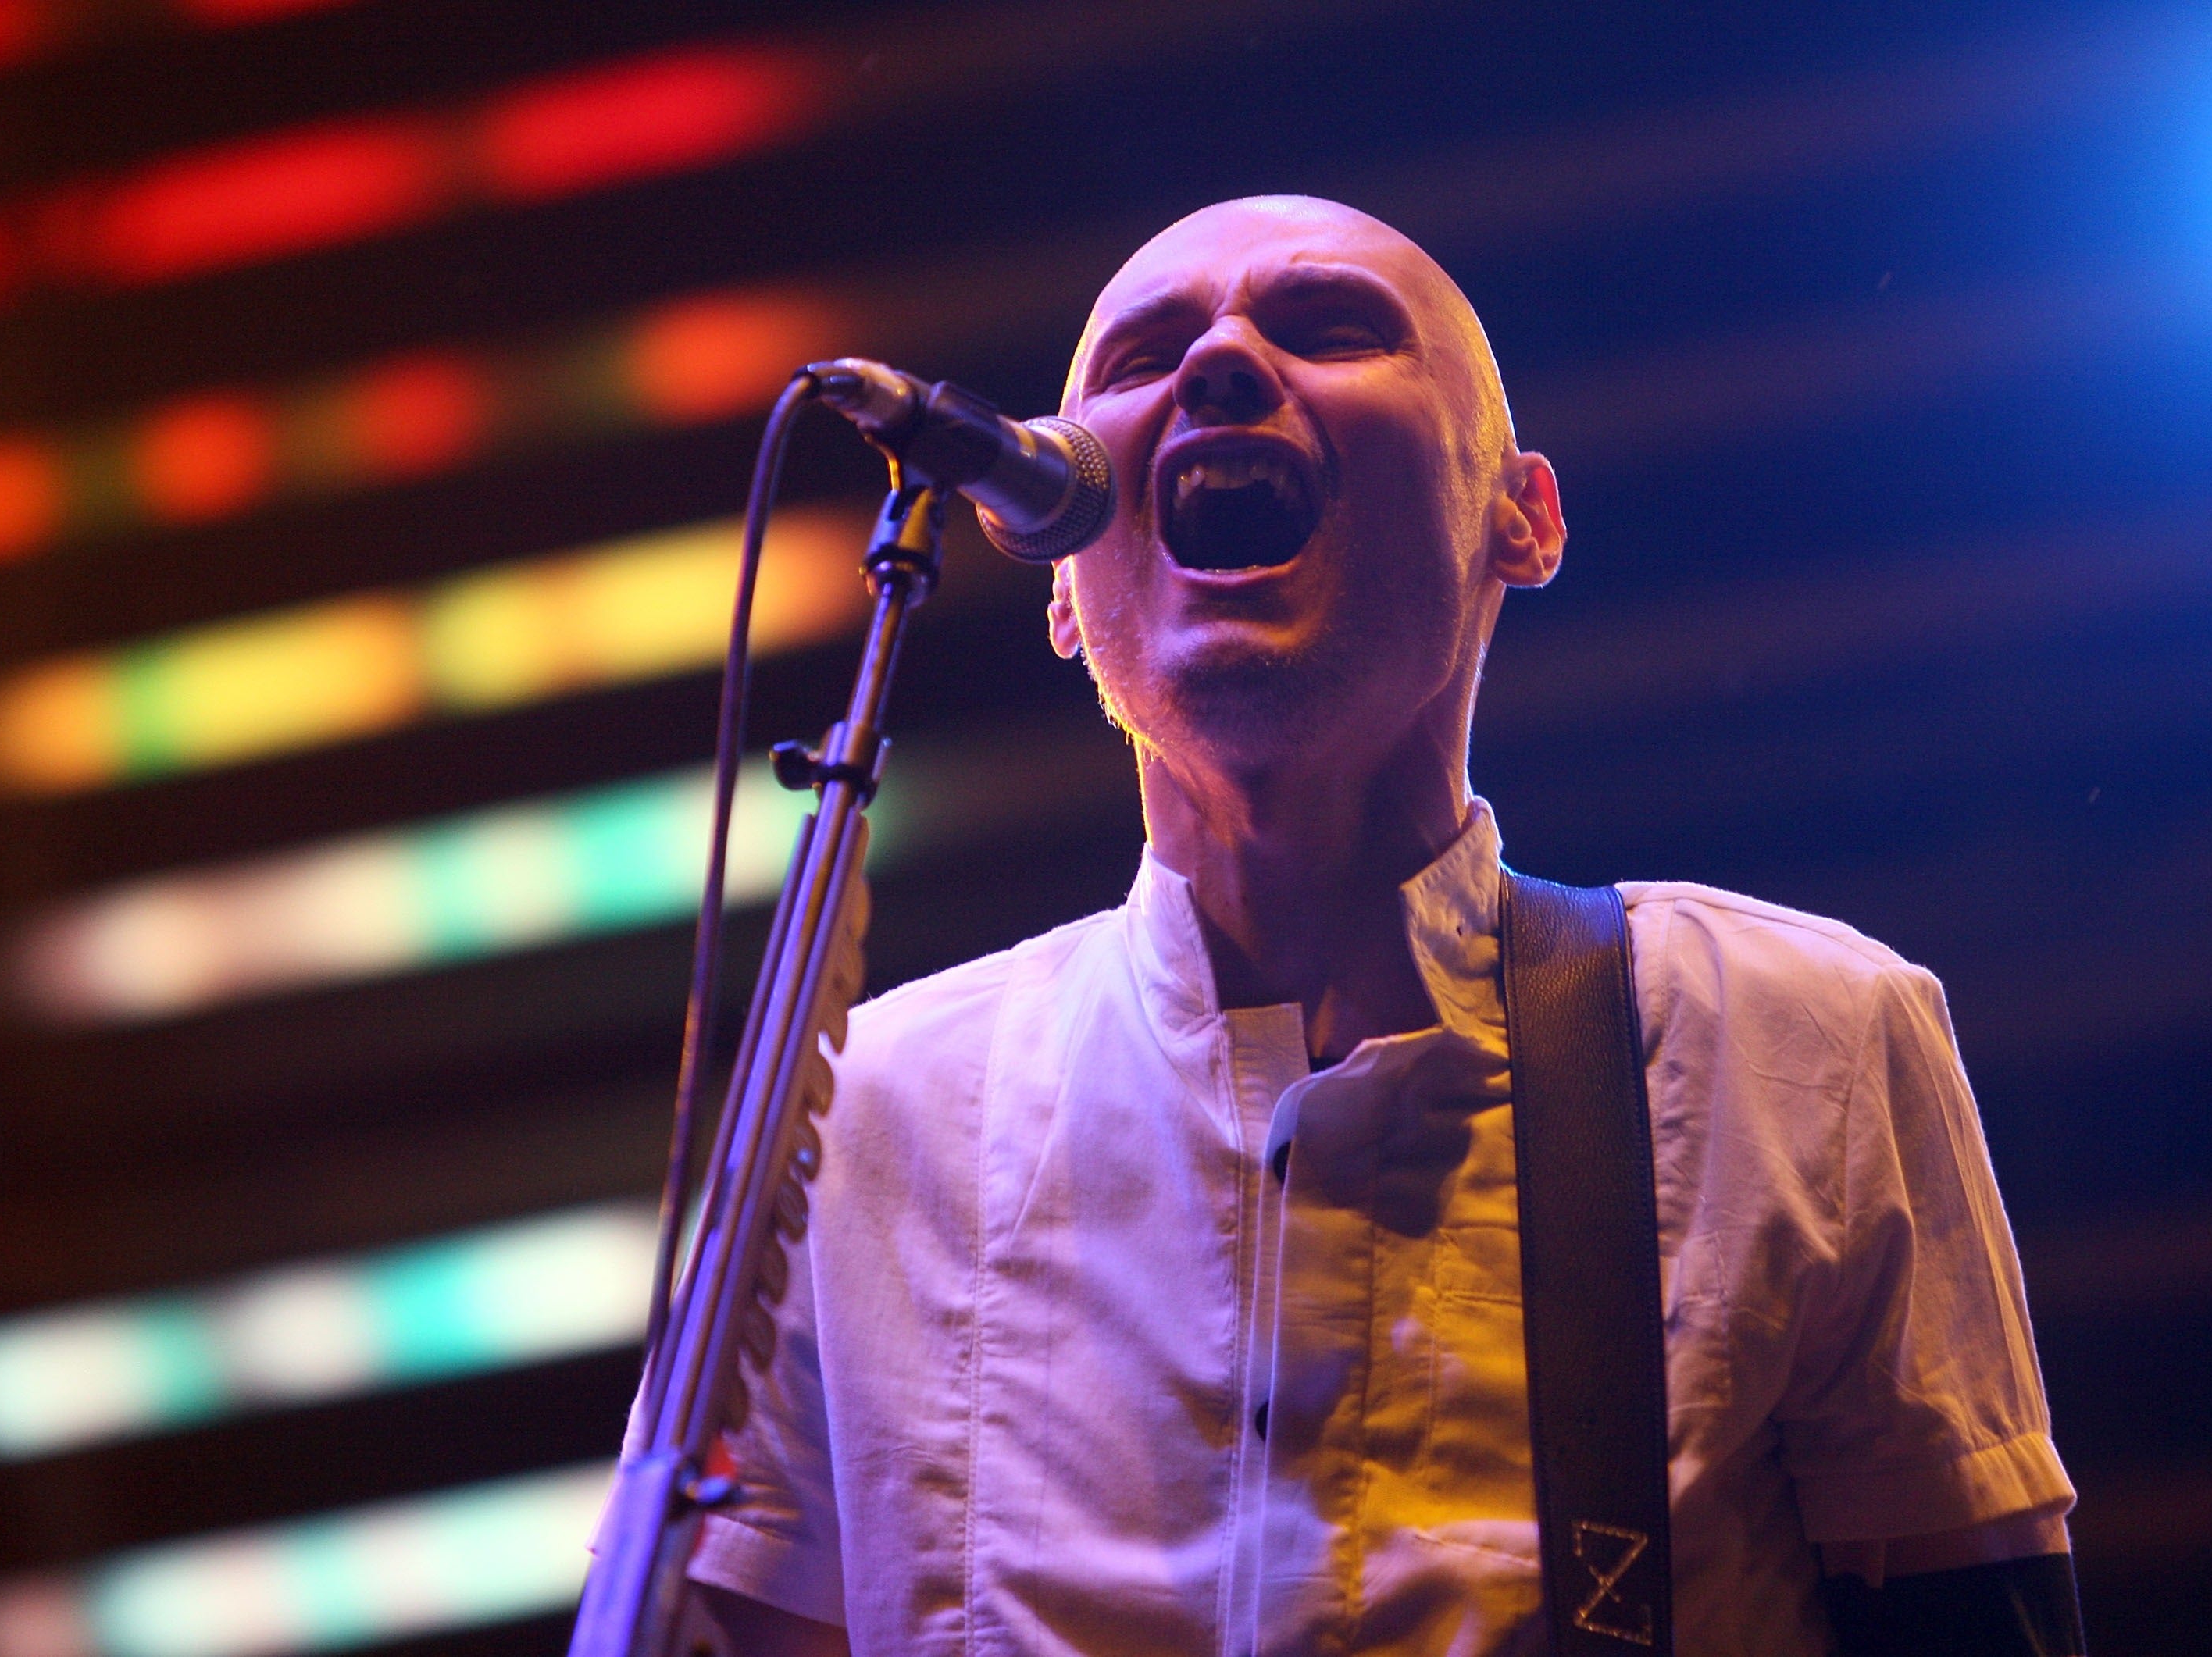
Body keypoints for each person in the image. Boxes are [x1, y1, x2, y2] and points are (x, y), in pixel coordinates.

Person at [682, 196, 2084, 1655]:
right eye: (1151, 351)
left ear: (1522, 519)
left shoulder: (1799, 1043)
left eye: (1332, 327)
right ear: (1059, 577)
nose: (1222, 360)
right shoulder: (858, 1115)